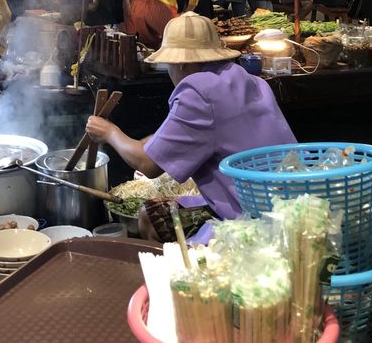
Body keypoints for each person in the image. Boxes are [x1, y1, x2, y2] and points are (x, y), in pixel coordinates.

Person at [86, 12, 296, 230]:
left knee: (150, 220)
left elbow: (148, 165)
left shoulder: (197, 90)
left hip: (255, 219)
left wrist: (109, 132)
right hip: (291, 203)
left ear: (181, 64)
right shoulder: (250, 80)